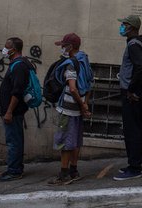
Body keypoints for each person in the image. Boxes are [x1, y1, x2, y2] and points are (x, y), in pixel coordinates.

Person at [48, 33, 92, 185]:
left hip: (68, 108)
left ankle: (64, 175)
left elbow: (73, 88)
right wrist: (85, 104)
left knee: (65, 141)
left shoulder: (71, 64)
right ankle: (74, 171)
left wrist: (81, 105)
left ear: (70, 47)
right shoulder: (84, 59)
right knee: (75, 140)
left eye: (63, 45)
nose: (62, 48)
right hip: (79, 108)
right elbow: (89, 83)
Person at [114, 15, 142, 180]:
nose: (122, 27)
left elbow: (141, 68)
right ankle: (133, 163)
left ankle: (135, 168)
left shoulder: (134, 45)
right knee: (135, 129)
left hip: (133, 95)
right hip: (138, 93)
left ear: (132, 27)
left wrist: (131, 89)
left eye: (124, 24)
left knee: (132, 130)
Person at [0, 37, 31, 181]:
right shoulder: (16, 64)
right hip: (12, 111)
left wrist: (9, 111)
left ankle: (15, 171)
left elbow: (17, 91)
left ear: (14, 50)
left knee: (13, 142)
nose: (4, 50)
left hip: (14, 112)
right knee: (14, 140)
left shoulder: (19, 66)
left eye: (6, 47)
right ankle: (14, 168)